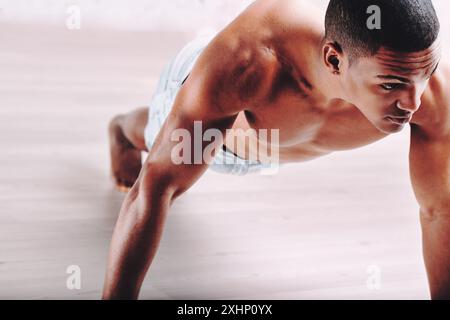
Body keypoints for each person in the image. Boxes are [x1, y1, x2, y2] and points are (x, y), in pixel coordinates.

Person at [103, 0, 450, 299]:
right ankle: (122, 129)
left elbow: (439, 210)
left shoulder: (424, 84)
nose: (413, 101)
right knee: (157, 140)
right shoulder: (247, 64)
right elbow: (157, 185)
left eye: (426, 73)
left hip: (266, 146)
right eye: (391, 84)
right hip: (220, 127)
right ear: (334, 61)